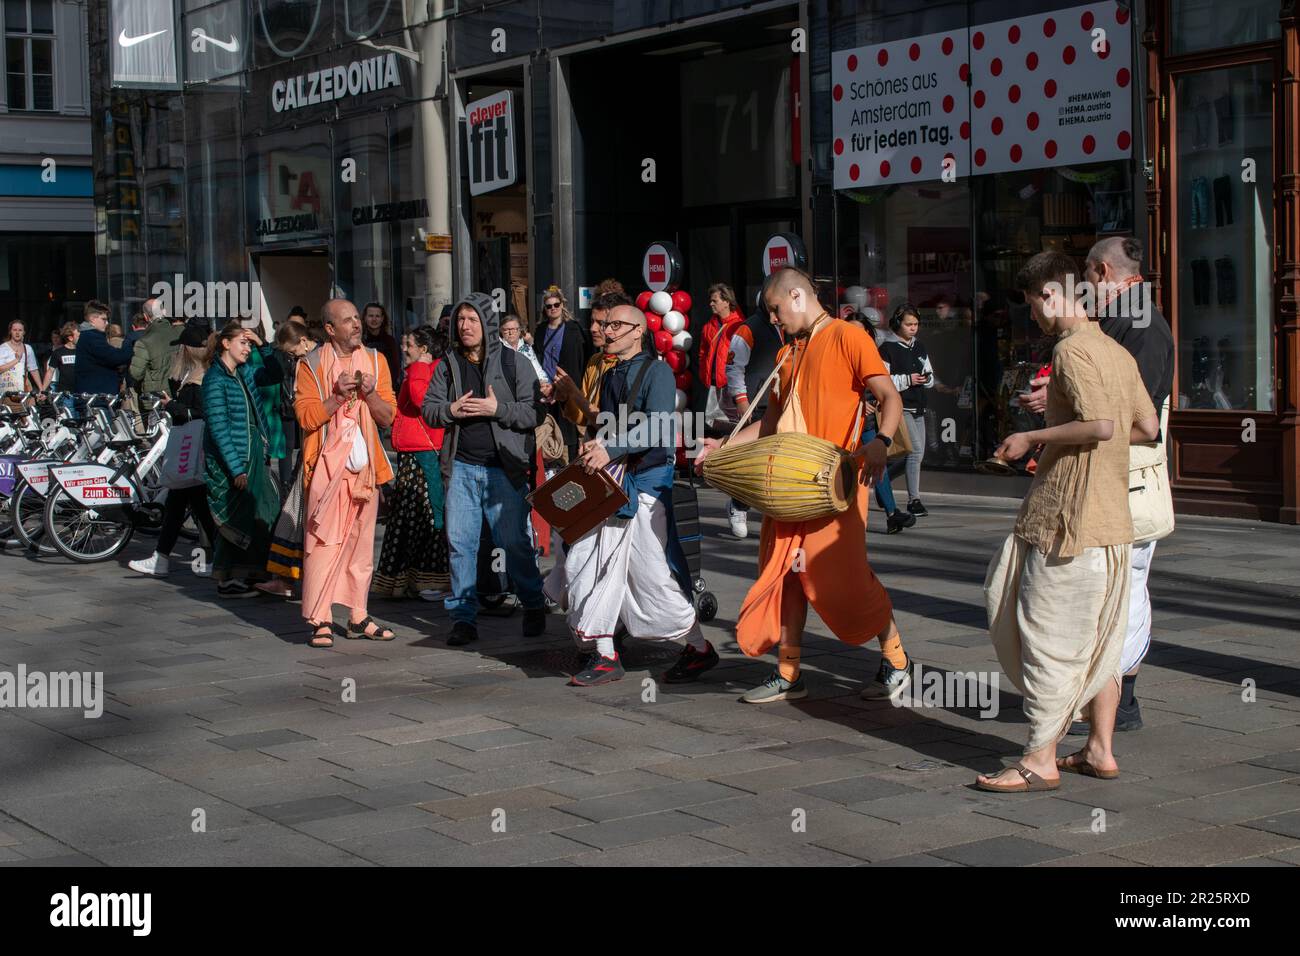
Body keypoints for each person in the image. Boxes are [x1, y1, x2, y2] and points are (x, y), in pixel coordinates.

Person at [978, 252, 1158, 793]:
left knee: (1046, 632)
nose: (1033, 317)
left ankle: (1039, 758)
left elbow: (1102, 425)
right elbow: (1146, 426)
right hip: (1112, 520)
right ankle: (1100, 748)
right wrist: (1064, 419)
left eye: (1034, 305)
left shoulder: (1072, 349)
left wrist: (1032, 437)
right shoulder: (1117, 352)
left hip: (1067, 518)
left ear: (1053, 295)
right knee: (1099, 640)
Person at [695, 267, 916, 704]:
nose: (774, 320)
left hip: (836, 483)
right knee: (787, 578)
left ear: (797, 295)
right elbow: (770, 424)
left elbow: (890, 397)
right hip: (790, 488)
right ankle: (789, 672)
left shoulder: (847, 336)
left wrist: (882, 443)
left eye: (776, 310)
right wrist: (721, 445)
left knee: (845, 579)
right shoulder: (787, 353)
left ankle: (896, 660)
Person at [1020, 237, 1174, 736]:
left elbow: (1133, 419)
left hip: (1126, 482)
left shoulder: (1141, 324)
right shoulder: (1117, 323)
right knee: (1106, 591)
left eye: (1086, 280)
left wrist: (1047, 429)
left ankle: (1118, 702)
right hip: (1104, 480)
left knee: (1122, 592)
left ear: (1101, 271)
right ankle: (1096, 713)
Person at [547, 303, 717, 686]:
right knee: (595, 563)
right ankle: (605, 651)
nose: (606, 330)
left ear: (638, 330)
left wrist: (610, 447)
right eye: (604, 324)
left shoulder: (657, 371)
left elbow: (659, 427)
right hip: (615, 484)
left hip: (647, 486)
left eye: (615, 324)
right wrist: (592, 442)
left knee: (652, 576)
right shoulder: (610, 375)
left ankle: (698, 648)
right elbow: (606, 426)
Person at [422, 293, 548, 647]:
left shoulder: (515, 363)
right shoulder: (447, 365)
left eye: (472, 319)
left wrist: (497, 409)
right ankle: (463, 618)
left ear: (487, 324)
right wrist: (450, 410)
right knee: (460, 545)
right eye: (461, 320)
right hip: (461, 468)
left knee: (514, 542)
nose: (464, 327)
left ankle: (534, 602)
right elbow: (429, 409)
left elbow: (534, 413)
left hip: (503, 470)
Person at [295, 299, 398, 647]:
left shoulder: (375, 360)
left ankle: (358, 615)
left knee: (360, 546)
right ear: (329, 329)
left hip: (364, 470)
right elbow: (307, 418)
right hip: (325, 470)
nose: (357, 325)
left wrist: (368, 394)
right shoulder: (309, 365)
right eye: (348, 320)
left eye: (358, 318)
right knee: (322, 544)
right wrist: (337, 395)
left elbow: (387, 417)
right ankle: (321, 618)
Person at [129, 319, 219, 578]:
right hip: (191, 450)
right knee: (185, 505)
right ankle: (165, 558)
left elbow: (200, 414)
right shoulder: (196, 375)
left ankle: (170, 558)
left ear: (189, 349)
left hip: (193, 449)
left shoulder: (199, 378)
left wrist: (172, 406)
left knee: (192, 506)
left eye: (181, 347)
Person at [202, 321, 284, 598]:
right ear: (226, 344)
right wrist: (235, 467)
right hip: (234, 458)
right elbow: (218, 427)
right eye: (243, 343)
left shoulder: (244, 373)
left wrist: (264, 344)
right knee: (236, 518)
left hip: (255, 453)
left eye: (249, 344)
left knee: (263, 512)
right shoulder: (215, 378)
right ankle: (228, 578)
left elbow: (275, 374)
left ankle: (254, 573)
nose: (247, 348)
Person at [373, 326, 451, 599]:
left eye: (410, 345)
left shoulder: (431, 370)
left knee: (428, 515)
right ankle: (406, 579)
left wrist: (419, 367)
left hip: (424, 452)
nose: (404, 349)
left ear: (425, 351)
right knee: (408, 519)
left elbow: (421, 401)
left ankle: (431, 579)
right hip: (413, 451)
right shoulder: (421, 369)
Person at [721, 294, 786, 539]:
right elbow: (734, 367)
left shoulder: (786, 326)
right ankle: (738, 505)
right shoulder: (748, 328)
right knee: (751, 461)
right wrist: (741, 400)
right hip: (755, 404)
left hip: (779, 401)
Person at [261, 320, 318, 597]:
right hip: (308, 450)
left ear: (304, 341)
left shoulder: (318, 362)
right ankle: (285, 578)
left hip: (320, 450)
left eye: (292, 351)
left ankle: (294, 579)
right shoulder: (302, 363)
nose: (291, 357)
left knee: (300, 516)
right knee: (293, 515)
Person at [699, 284, 751, 538]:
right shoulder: (709, 326)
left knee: (739, 438)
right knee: (721, 433)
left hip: (733, 390)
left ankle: (738, 500)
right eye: (710, 300)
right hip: (715, 389)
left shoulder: (739, 325)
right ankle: (726, 478)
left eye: (715, 299)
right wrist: (705, 376)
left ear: (726, 301)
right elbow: (703, 352)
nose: (711, 303)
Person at [878, 303, 937, 518]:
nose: (913, 328)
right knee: (915, 451)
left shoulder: (919, 347)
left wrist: (927, 378)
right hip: (900, 406)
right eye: (909, 324)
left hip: (918, 403)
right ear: (898, 324)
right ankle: (914, 500)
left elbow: (928, 370)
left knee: (917, 454)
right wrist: (907, 380)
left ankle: (884, 481)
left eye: (916, 324)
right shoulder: (887, 348)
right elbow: (882, 380)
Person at [552, 290, 626, 430]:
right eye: (592, 321)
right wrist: (567, 398)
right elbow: (582, 417)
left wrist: (574, 392)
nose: (593, 328)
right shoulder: (595, 360)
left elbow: (611, 426)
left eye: (601, 323)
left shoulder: (629, 364)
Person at [536, 286, 587, 462]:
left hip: (566, 387)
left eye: (556, 304)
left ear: (562, 305)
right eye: (549, 306)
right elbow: (536, 357)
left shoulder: (573, 328)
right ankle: (551, 467)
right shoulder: (541, 330)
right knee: (548, 431)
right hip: (546, 388)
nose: (553, 309)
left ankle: (568, 466)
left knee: (569, 432)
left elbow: (580, 359)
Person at [75, 301, 134, 395]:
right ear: (92, 319)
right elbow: (115, 357)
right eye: (104, 319)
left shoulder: (89, 336)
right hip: (96, 397)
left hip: (97, 394)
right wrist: (129, 343)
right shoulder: (91, 337)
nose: (107, 323)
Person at [128, 299, 177, 397]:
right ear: (164, 312)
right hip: (177, 393)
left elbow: (135, 373)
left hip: (155, 397)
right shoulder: (179, 334)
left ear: (146, 317)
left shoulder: (143, 342)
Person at [362, 302, 402, 389]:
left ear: (382, 318)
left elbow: (395, 368)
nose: (374, 319)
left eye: (377, 316)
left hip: (386, 386)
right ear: (365, 318)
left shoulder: (390, 341)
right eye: (371, 316)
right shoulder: (360, 341)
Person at [41, 321, 80, 407]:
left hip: (81, 393)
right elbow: (50, 371)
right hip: (66, 394)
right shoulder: (58, 352)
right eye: (78, 336)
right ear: (70, 338)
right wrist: (43, 390)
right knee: (69, 418)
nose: (80, 338)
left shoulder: (82, 351)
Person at [0, 320, 41, 394]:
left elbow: (33, 370)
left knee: (28, 405)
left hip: (24, 387)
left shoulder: (27, 348)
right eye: (14, 330)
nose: (17, 333)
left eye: (20, 330)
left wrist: (41, 389)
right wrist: (17, 360)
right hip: (7, 388)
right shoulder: (3, 348)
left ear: (24, 332)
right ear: (10, 332)